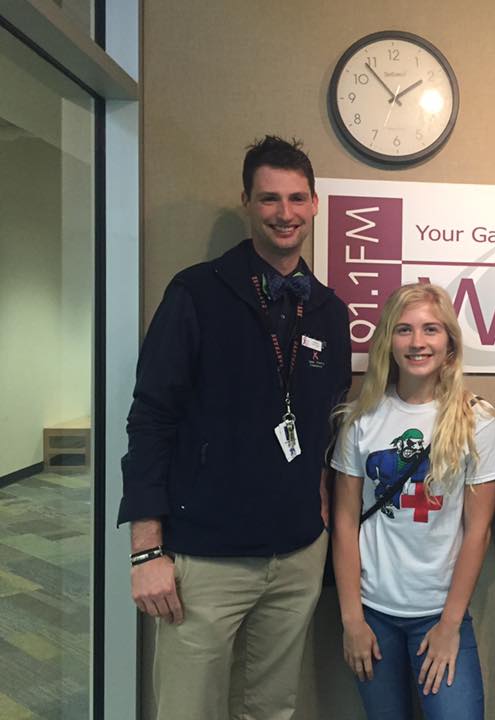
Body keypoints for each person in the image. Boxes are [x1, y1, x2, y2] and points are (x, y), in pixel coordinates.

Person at [117, 136, 351, 719]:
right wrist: (146, 553)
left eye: (297, 198)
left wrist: (318, 498)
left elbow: (326, 422)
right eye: (270, 198)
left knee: (271, 711)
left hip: (297, 556)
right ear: (247, 201)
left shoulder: (328, 309)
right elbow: (150, 419)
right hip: (205, 559)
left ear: (316, 204)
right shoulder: (196, 293)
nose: (285, 213)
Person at [330, 283, 495, 720]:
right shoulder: (360, 419)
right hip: (374, 612)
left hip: (439, 612)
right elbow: (344, 522)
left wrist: (450, 624)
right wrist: (351, 619)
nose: (417, 342)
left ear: (449, 342)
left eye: (431, 329)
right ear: (388, 341)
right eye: (404, 330)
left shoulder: (477, 421)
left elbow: (478, 531)